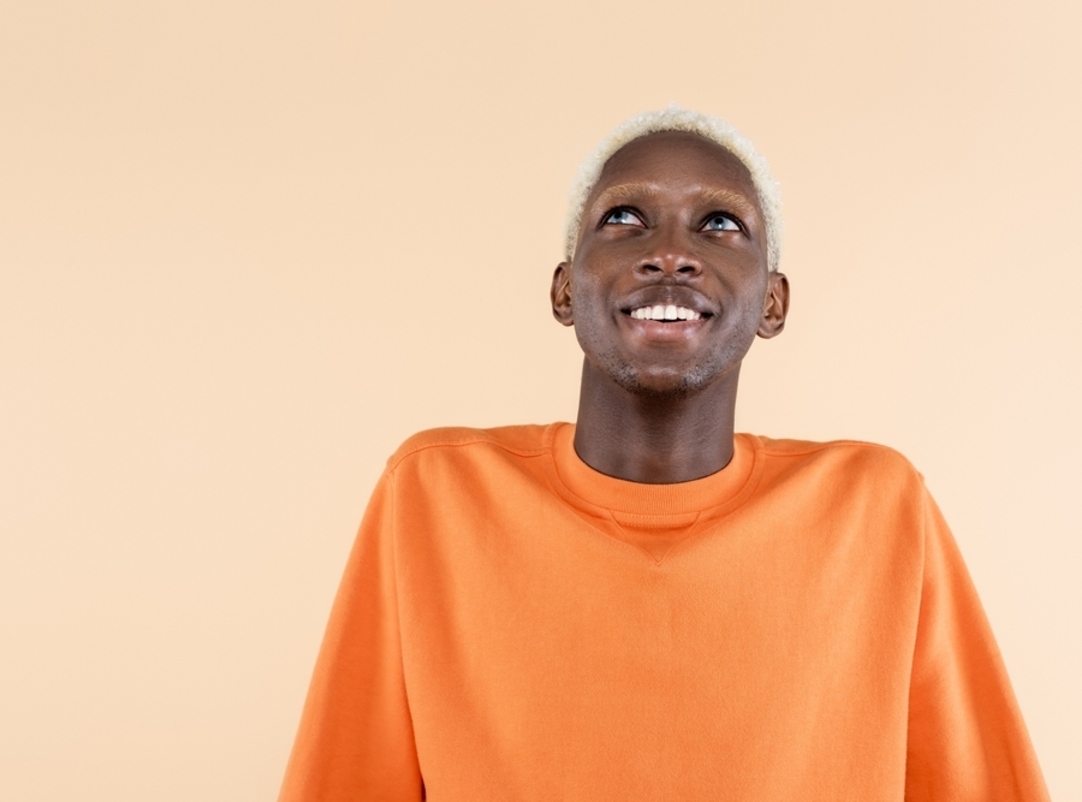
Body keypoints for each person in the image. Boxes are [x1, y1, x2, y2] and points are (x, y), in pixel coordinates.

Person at [278, 106, 1050, 801]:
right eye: (625, 218)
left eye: (719, 224)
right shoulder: (435, 494)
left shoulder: (876, 507)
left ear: (772, 301)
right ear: (564, 290)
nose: (671, 254)